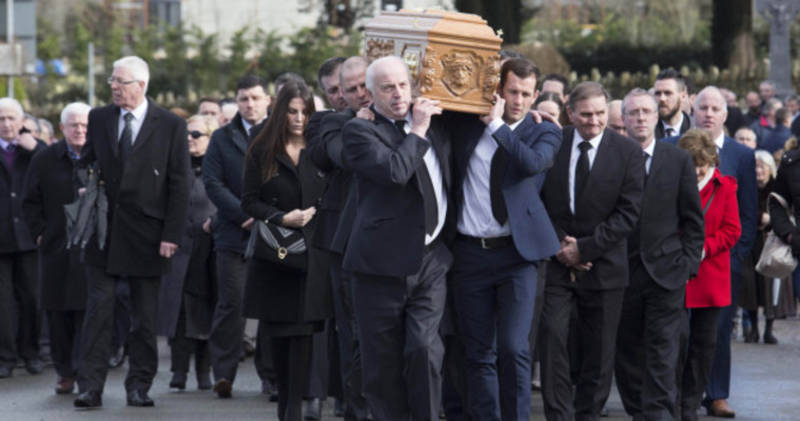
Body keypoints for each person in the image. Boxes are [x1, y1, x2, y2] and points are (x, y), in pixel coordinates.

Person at [73, 55, 191, 408]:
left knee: (144, 318)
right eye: (112, 80)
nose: (113, 86)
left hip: (149, 236)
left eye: (120, 81)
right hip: (104, 232)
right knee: (98, 313)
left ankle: (139, 385)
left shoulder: (170, 125)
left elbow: (180, 183)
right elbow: (87, 162)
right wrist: (85, 186)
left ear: (141, 86)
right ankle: (90, 386)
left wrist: (171, 234)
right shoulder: (99, 117)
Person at [448, 57, 561, 421]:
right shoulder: (466, 125)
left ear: (536, 94)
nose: (518, 100)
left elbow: (530, 163)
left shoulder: (546, 130)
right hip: (470, 254)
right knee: (479, 352)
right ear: (498, 89)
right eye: (512, 91)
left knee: (514, 349)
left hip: (517, 257)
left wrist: (498, 125)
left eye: (526, 94)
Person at [341, 55, 453, 421]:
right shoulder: (361, 132)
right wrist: (417, 131)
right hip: (379, 265)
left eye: (403, 84)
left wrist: (530, 118)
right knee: (382, 365)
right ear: (370, 95)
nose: (398, 94)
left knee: (424, 349)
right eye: (387, 88)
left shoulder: (436, 123)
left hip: (431, 259)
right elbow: (394, 172)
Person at [539, 81, 644, 420]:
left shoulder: (627, 152)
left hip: (605, 265)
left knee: (599, 353)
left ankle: (586, 415)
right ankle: (558, 414)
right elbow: (536, 199)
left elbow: (628, 213)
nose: (594, 121)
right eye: (585, 115)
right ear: (570, 113)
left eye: (600, 113)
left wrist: (584, 249)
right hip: (555, 261)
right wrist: (559, 246)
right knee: (553, 340)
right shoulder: (554, 143)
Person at [613, 89, 704, 420]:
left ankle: (659, 415)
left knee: (663, 351)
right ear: (623, 119)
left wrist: (689, 264)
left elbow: (693, 220)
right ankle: (639, 411)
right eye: (633, 112)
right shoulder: (612, 157)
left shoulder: (677, 159)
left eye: (646, 112)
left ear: (657, 117)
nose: (640, 118)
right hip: (620, 273)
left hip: (667, 273)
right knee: (626, 351)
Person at [241, 81, 328, 421]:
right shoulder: (262, 150)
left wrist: (315, 213)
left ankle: (298, 406)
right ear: (280, 113)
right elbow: (249, 201)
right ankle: (286, 409)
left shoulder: (321, 150)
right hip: (275, 257)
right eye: (292, 111)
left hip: (312, 257)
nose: (298, 118)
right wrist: (281, 217)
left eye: (305, 112)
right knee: (279, 340)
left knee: (306, 337)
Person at [202, 74, 276, 399]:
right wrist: (244, 213)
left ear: (267, 101)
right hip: (233, 234)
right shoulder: (221, 138)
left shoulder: (281, 134)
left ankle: (272, 376)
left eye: (256, 98)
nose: (250, 104)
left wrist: (263, 214)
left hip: (274, 232)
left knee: (273, 307)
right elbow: (213, 183)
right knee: (231, 305)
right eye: (244, 98)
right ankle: (224, 374)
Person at [307, 55, 372, 421]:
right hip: (342, 238)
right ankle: (353, 405)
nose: (353, 96)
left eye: (362, 87)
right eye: (341, 91)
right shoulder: (329, 122)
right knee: (350, 329)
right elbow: (334, 155)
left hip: (390, 237)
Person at [21, 102, 91, 392]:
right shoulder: (46, 158)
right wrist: (40, 233)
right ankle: (65, 372)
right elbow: (30, 201)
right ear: (62, 128)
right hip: (56, 248)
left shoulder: (100, 157)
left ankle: (87, 372)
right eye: (74, 124)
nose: (80, 130)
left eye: (85, 125)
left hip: (91, 249)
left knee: (89, 314)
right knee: (58, 313)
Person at [676, 128, 741, 421]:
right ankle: (672, 397)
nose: (697, 169)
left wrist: (703, 248)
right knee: (676, 340)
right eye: (691, 163)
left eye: (701, 163)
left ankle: (690, 403)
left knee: (704, 345)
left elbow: (732, 230)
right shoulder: (672, 184)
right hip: (676, 274)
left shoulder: (725, 187)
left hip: (710, 275)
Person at [157, 114, 219, 391]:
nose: (190, 141)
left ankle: (204, 371)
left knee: (204, 310)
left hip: (209, 247)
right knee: (178, 312)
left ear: (209, 137)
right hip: (178, 247)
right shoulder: (173, 166)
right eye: (186, 136)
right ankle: (178, 370)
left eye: (197, 135)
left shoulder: (217, 167)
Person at [0, 97, 46, 379]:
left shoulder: (33, 151)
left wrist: (37, 148)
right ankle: (5, 356)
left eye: (11, 119)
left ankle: (31, 352)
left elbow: (56, 165)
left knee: (32, 296)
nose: (6, 125)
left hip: (29, 236)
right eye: (1, 119)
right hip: (1, 237)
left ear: (22, 122)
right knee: (2, 303)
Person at [740, 150, 795, 345]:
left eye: (762, 166)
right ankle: (753, 328)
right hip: (750, 243)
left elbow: (786, 210)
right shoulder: (746, 187)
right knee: (750, 286)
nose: (758, 170)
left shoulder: (777, 186)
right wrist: (758, 218)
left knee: (772, 286)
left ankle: (769, 330)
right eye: (755, 166)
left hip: (773, 242)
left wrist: (771, 220)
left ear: (770, 168)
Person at [653, 68, 692, 140]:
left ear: (683, 96)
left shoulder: (696, 129)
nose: (662, 98)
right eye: (658, 93)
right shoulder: (648, 131)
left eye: (668, 93)